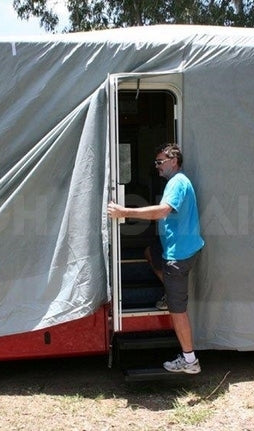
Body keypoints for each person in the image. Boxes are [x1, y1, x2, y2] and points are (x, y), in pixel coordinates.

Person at [107, 143, 205, 374]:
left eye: (160, 162)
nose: (157, 166)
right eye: (156, 162)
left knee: (177, 310)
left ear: (174, 161)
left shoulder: (177, 182)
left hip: (178, 256)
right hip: (181, 248)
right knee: (150, 252)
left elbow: (162, 211)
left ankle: (190, 361)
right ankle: (168, 293)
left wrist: (125, 212)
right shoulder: (178, 181)